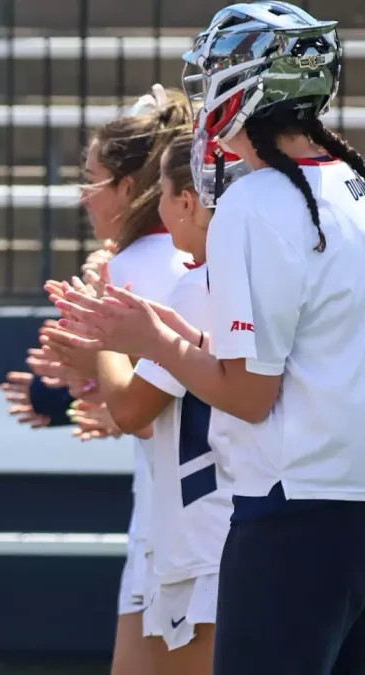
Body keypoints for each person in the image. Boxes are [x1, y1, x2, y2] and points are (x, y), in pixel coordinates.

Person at [55, 4, 365, 674]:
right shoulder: (351, 186)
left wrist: (152, 339)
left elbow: (250, 396)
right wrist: (165, 329)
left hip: (290, 513)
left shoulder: (255, 202)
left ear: (248, 87)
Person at [50, 130, 248, 674]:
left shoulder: (200, 284)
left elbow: (133, 411)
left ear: (188, 201)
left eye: (162, 194)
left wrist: (102, 342)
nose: (156, 209)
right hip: (216, 526)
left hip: (202, 527)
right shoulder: (239, 279)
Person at [38, 84, 193, 675]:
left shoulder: (130, 270)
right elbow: (165, 399)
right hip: (170, 518)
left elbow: (142, 412)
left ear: (129, 188)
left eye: (92, 177)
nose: (84, 195)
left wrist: (95, 337)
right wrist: (91, 384)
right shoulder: (184, 261)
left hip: (185, 524)